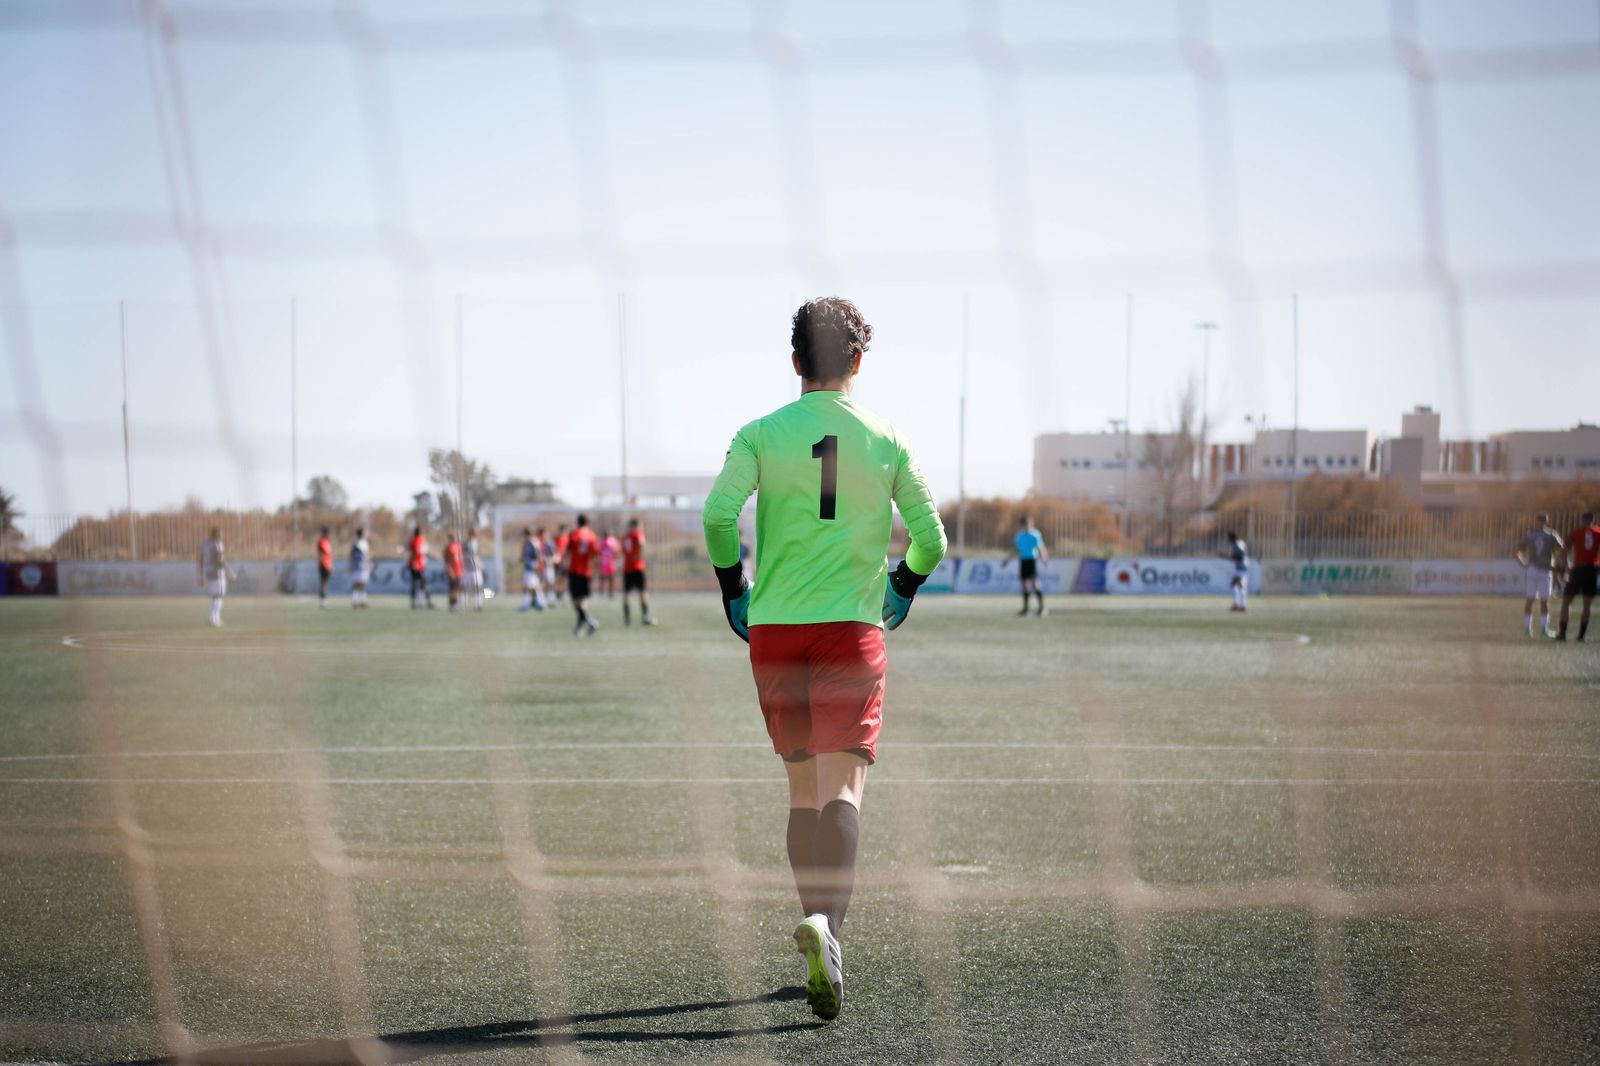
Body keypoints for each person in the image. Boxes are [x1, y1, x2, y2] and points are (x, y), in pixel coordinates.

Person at [702, 297, 946, 1022]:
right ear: (859, 361)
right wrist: (902, 586)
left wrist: (731, 589)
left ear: (795, 361)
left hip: (776, 630)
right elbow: (930, 538)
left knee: (802, 792)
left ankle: (819, 930)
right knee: (844, 793)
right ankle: (829, 933)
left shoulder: (758, 433)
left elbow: (718, 517)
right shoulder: (887, 437)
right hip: (850, 629)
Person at [1515, 515, 1563, 638]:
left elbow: (1516, 551)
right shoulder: (1551, 535)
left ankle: (1529, 628)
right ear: (1547, 521)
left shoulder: (1530, 535)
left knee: (1531, 599)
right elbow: (1560, 549)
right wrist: (1555, 560)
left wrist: (1523, 563)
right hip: (1544, 570)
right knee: (1543, 600)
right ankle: (1542, 629)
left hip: (1533, 569)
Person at [1557, 510, 1598, 642]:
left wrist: (1564, 565)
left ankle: (1562, 634)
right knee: (1587, 605)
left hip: (1578, 568)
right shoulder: (1598, 532)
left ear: (1582, 519)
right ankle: (1581, 636)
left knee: (1566, 601)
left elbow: (1565, 550)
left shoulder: (1576, 532)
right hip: (1592, 569)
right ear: (1593, 519)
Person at [1003, 514, 1047, 617]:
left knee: (1035, 583)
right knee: (1024, 584)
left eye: (1029, 524)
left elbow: (1041, 547)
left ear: (1032, 524)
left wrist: (1045, 558)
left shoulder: (1035, 534)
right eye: (1025, 524)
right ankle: (1026, 609)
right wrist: (1007, 560)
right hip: (1023, 560)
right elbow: (1017, 549)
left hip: (1032, 560)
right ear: (1021, 526)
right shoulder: (1019, 536)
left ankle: (1042, 608)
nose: (1027, 526)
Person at [563, 514, 600, 636]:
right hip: (586, 571)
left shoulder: (574, 535)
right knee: (583, 599)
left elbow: (567, 552)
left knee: (575, 600)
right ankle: (579, 627)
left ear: (577, 523)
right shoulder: (592, 536)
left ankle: (589, 620)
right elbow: (595, 555)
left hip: (575, 571)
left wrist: (563, 564)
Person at [621, 517, 656, 626]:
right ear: (635, 526)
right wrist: (638, 555)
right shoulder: (637, 534)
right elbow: (642, 544)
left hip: (627, 568)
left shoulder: (624, 537)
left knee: (626, 594)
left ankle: (627, 620)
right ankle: (645, 616)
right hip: (637, 567)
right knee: (643, 592)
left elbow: (622, 551)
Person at [197, 526, 235, 628]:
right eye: (221, 533)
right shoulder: (218, 544)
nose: (222, 536)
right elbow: (220, 559)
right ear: (216, 534)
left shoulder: (204, 544)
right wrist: (230, 571)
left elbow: (200, 560)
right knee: (219, 595)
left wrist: (201, 575)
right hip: (217, 572)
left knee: (214, 595)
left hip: (208, 572)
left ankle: (214, 617)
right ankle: (214, 618)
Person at [1219, 531, 1250, 612]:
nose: (1227, 541)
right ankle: (1239, 604)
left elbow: (1239, 556)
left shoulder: (1237, 545)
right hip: (1241, 568)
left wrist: (1225, 555)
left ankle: (1241, 605)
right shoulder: (1239, 543)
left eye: (1228, 539)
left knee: (1236, 585)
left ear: (1231, 538)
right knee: (1238, 586)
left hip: (1241, 568)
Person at [408, 525, 434, 609]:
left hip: (414, 565)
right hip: (418, 565)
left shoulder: (413, 541)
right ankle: (424, 602)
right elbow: (420, 552)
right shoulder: (420, 540)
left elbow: (411, 552)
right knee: (423, 583)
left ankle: (415, 603)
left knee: (415, 584)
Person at [462, 531, 485, 611]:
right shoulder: (466, 543)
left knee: (477, 586)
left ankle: (478, 604)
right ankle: (462, 603)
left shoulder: (475, 543)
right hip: (467, 569)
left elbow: (477, 554)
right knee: (464, 586)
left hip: (475, 569)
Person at [349, 527, 371, 609]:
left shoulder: (359, 543)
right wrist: (368, 563)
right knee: (359, 584)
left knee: (361, 584)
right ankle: (357, 601)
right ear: (361, 534)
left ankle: (361, 601)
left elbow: (351, 555)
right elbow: (366, 555)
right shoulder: (359, 543)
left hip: (360, 566)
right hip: (360, 566)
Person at [444, 532, 465, 613]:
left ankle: (455, 605)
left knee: (457, 589)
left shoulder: (458, 547)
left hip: (458, 571)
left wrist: (461, 570)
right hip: (452, 571)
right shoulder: (448, 548)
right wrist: (449, 570)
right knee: (453, 589)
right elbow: (447, 561)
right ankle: (452, 605)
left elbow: (460, 560)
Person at [598, 528, 620, 598]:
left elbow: (616, 552)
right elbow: (599, 552)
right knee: (604, 578)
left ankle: (609, 592)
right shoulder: (603, 542)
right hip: (606, 563)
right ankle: (603, 592)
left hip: (609, 563)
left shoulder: (612, 541)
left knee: (610, 578)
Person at [316, 526, 333, 609]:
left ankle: (324, 600)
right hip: (324, 565)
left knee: (326, 583)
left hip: (328, 565)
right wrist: (323, 563)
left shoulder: (327, 542)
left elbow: (329, 554)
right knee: (323, 583)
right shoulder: (321, 542)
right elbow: (321, 554)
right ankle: (322, 601)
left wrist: (330, 565)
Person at [552, 523, 570, 604]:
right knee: (558, 579)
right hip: (558, 562)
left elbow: (568, 550)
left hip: (565, 562)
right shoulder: (556, 539)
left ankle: (561, 595)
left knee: (563, 580)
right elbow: (554, 550)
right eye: (562, 530)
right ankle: (557, 595)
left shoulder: (568, 539)